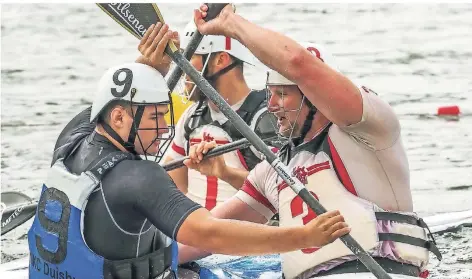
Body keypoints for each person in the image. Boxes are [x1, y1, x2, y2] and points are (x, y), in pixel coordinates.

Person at [27, 22, 350, 279]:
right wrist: (303, 237)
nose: (164, 129)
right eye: (154, 118)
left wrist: (145, 66)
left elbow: (102, 106)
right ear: (119, 117)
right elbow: (209, 234)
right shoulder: (138, 177)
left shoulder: (71, 140)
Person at [178, 5, 441, 279]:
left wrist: (230, 23)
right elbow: (208, 235)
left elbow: (297, 64)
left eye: (282, 94)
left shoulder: (369, 129)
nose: (272, 106)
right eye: (270, 94)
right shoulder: (272, 171)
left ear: (313, 95)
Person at [161, 19, 280, 211]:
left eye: (190, 57)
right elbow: (174, 185)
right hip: (196, 237)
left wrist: (225, 173)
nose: (183, 70)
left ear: (221, 59)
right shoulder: (192, 116)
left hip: (246, 236)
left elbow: (281, 190)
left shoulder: (266, 118)